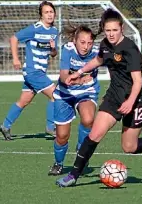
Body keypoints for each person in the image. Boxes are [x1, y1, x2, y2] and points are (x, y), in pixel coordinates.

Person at [56, 9, 142, 187]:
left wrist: (130, 102)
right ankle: (73, 175)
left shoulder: (130, 49)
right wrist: (78, 72)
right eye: (107, 30)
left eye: (114, 30)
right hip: (114, 98)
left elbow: (138, 81)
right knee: (94, 134)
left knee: (129, 147)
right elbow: (98, 61)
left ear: (121, 28)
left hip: (137, 101)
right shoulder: (104, 45)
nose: (111, 34)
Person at [0, 1, 58, 140]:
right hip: (32, 71)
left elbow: (53, 54)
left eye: (51, 12)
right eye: (46, 12)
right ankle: (50, 127)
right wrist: (15, 59)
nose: (49, 15)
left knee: (24, 101)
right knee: (56, 95)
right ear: (41, 15)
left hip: (40, 72)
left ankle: (5, 125)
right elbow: (14, 39)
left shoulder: (54, 32)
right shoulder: (34, 29)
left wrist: (53, 49)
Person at [48, 24, 100, 176]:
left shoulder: (97, 52)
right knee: (62, 136)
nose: (86, 46)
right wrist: (77, 80)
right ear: (75, 40)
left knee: (88, 119)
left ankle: (81, 149)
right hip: (64, 94)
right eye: (82, 42)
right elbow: (64, 76)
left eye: (89, 43)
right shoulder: (68, 50)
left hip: (87, 92)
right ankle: (58, 163)